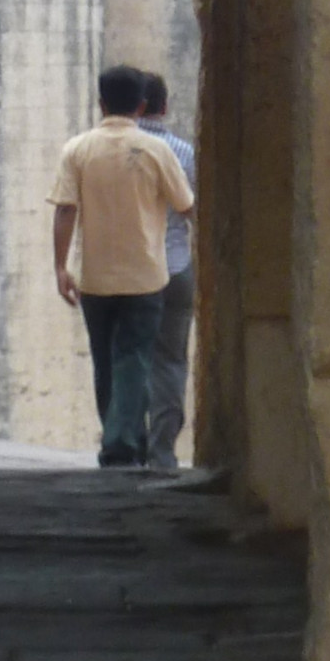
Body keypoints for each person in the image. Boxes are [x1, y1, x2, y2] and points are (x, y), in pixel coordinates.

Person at [51, 62, 193, 469]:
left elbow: (64, 209)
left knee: (106, 359)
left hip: (96, 275)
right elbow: (187, 206)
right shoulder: (158, 150)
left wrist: (61, 266)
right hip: (146, 274)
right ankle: (122, 442)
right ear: (143, 104)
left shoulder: (77, 149)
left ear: (100, 103)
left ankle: (123, 437)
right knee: (135, 356)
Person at [136, 71, 197, 475]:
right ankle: (161, 452)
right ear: (164, 106)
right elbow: (192, 208)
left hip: (129, 271)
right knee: (171, 362)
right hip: (175, 266)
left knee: (127, 357)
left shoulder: (111, 149)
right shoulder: (184, 152)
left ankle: (126, 445)